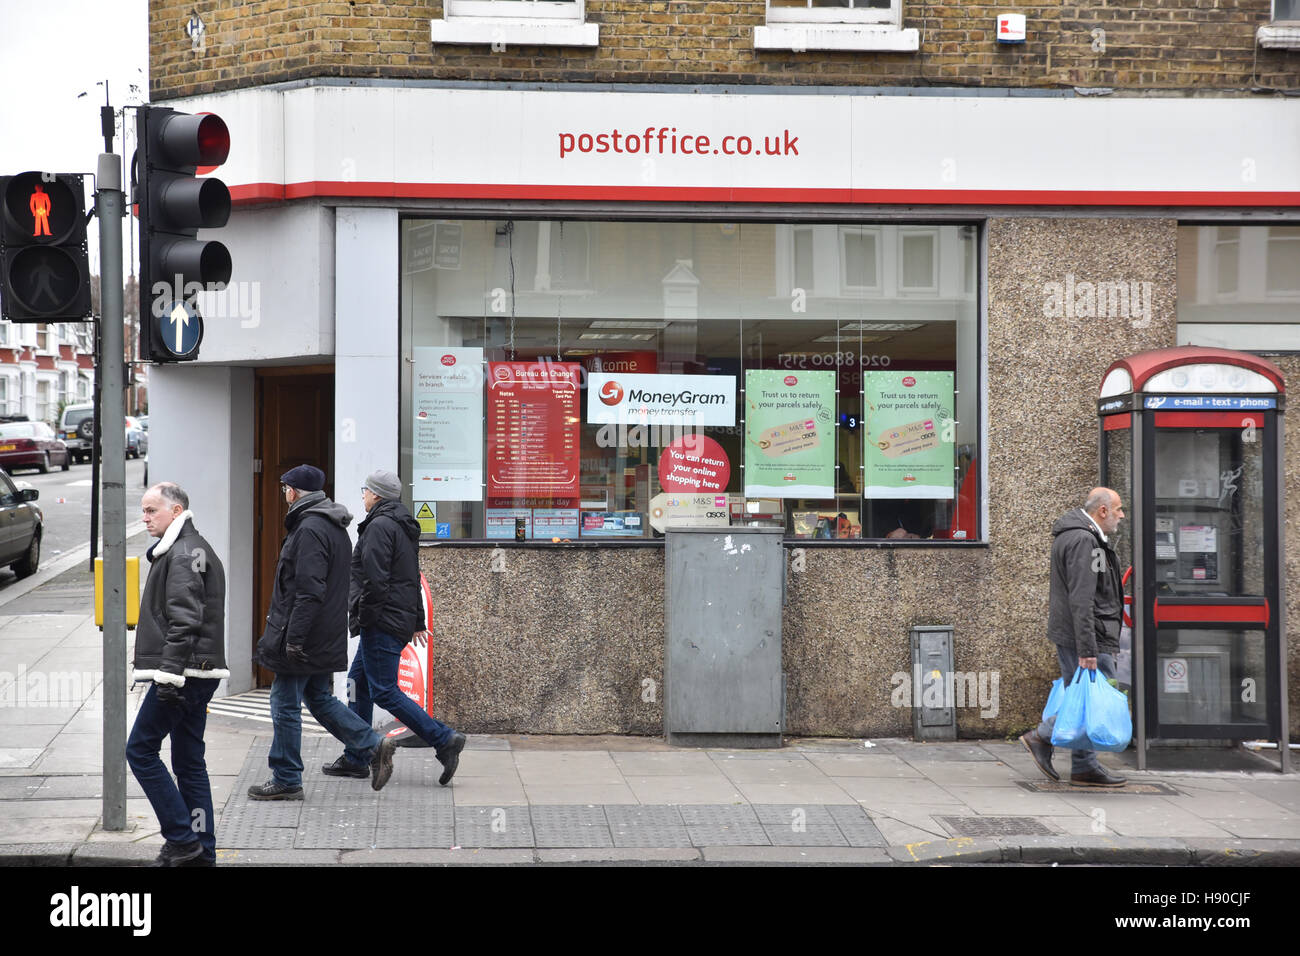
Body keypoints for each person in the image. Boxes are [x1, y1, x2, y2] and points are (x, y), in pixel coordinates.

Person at [248, 465, 385, 800]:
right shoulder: (331, 525)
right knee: (319, 698)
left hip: (304, 635)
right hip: (322, 632)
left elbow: (308, 591)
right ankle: (373, 744)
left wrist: (293, 638)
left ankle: (286, 778)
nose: (284, 495)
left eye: (285, 489)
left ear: (294, 492)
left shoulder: (309, 528)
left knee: (284, 702)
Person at [339, 469, 465, 790]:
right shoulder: (401, 523)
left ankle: (443, 738)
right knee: (359, 682)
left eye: (365, 490)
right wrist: (418, 619)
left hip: (381, 620)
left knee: (384, 691)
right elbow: (411, 576)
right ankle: (357, 756)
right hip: (395, 617)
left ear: (377, 494)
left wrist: (364, 618)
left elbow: (376, 581)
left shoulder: (380, 526)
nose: (363, 495)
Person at [126, 483, 227, 866]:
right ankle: (202, 852)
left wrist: (167, 676)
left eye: (152, 510)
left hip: (184, 673)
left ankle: (183, 839)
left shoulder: (182, 554)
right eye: (144, 510)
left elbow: (185, 621)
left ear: (176, 509)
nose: (145, 517)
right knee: (188, 761)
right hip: (197, 671)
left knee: (140, 750)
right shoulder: (190, 548)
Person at [1021, 487, 1128, 788]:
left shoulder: (1078, 535)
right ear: (1102, 511)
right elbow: (1082, 599)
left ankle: (1084, 766)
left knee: (1083, 696)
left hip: (1079, 634)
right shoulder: (1084, 540)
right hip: (1087, 635)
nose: (1122, 515)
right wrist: (1088, 648)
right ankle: (1040, 736)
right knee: (1088, 701)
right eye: (1118, 509)